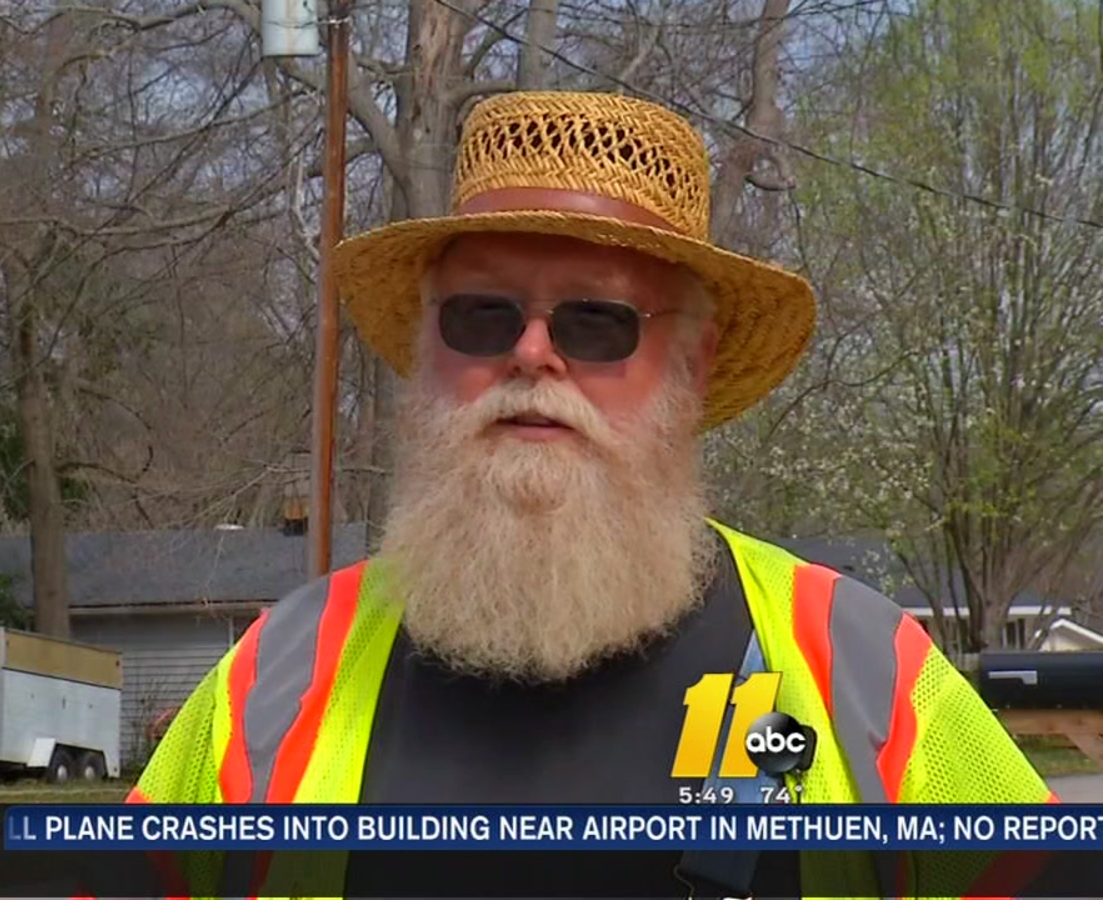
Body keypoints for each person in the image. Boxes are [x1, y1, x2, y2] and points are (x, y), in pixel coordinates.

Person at [122, 91, 1056, 898]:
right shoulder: (274, 681)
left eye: (597, 321)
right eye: (482, 315)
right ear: (428, 348)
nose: (532, 354)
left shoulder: (867, 673)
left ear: (692, 363)